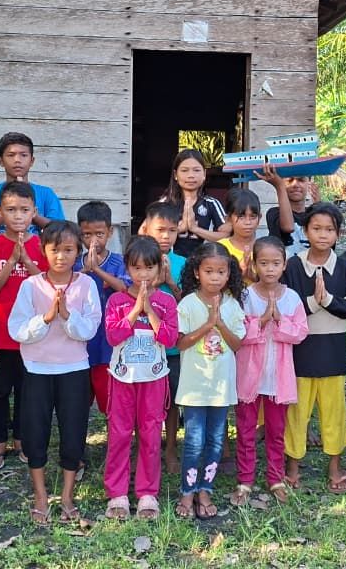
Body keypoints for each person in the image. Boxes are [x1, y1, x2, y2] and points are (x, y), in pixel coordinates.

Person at [8, 221, 102, 525]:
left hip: (74, 369)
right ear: (43, 251)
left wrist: (67, 315)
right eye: (55, 249)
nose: (61, 256)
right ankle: (40, 495)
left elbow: (90, 329)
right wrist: (46, 318)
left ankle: (67, 496)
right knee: (35, 432)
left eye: (68, 250)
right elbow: (17, 329)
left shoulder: (86, 285)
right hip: (37, 369)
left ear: (78, 251)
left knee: (73, 432)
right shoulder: (30, 286)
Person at [281, 202, 346, 493]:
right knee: (297, 412)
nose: (323, 234)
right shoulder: (293, 266)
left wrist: (328, 300)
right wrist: (314, 303)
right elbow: (285, 307)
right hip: (300, 351)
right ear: (305, 231)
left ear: (338, 234)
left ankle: (334, 467)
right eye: (316, 228)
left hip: (332, 350)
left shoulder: (343, 267)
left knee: (334, 412)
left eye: (329, 229)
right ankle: (293, 466)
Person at [102, 236, 179, 521]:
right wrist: (136, 310)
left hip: (154, 379)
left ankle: (147, 493)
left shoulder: (166, 302)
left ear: (159, 268)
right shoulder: (117, 300)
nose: (143, 274)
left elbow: (170, 338)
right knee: (119, 434)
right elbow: (113, 336)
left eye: (149, 267)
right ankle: (117, 494)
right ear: (127, 268)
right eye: (136, 268)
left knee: (150, 434)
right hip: (123, 379)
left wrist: (151, 312)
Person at [231, 237, 308, 506]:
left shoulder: (292, 298)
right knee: (246, 429)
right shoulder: (246, 296)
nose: (270, 269)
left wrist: (279, 320)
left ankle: (275, 478)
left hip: (278, 377)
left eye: (276, 263)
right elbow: (238, 333)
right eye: (263, 263)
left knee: (276, 430)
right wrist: (262, 321)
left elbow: (300, 332)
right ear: (254, 265)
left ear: (284, 265)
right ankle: (245, 480)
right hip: (249, 376)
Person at [0, 182, 47, 470]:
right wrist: (11, 263)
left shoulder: (43, 246)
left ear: (34, 212)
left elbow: (47, 288)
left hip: (30, 332)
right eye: (11, 209)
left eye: (24, 210)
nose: (18, 216)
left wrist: (27, 261)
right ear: (0, 212)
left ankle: (20, 438)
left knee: (26, 390)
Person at [174, 243, 246, 519]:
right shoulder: (188, 304)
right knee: (193, 440)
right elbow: (180, 343)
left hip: (221, 387)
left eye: (221, 272)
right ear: (197, 272)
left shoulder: (232, 305)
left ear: (229, 274)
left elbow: (237, 345)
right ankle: (187, 491)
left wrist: (220, 323)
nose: (215, 277)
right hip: (194, 387)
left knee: (216, 440)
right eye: (209, 271)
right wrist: (207, 325)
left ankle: (205, 489)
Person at [138, 200, 187, 473]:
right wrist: (155, 281)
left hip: (173, 347)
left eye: (172, 230)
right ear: (146, 229)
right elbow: (129, 296)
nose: (166, 236)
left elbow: (188, 305)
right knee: (145, 402)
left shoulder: (183, 263)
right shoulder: (139, 261)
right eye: (160, 230)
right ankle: (147, 448)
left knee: (172, 401)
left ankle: (170, 450)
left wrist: (170, 282)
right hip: (144, 344)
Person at [74, 201, 130, 416]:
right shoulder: (74, 263)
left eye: (99, 234)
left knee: (110, 401)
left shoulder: (118, 262)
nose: (93, 241)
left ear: (110, 232)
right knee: (78, 402)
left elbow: (124, 288)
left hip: (107, 344)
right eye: (87, 235)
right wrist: (85, 272)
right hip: (80, 342)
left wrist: (97, 270)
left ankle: (114, 435)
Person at [0, 132, 64, 240]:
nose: (17, 160)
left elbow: (61, 232)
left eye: (23, 155)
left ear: (32, 161)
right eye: (11, 155)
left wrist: (31, 215)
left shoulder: (46, 194)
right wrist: (5, 214)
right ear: (1, 161)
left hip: (36, 251)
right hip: (1, 251)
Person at [163, 149, 230, 257]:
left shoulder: (212, 204)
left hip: (204, 263)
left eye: (196, 170)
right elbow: (150, 235)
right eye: (184, 170)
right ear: (175, 174)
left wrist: (195, 229)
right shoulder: (165, 203)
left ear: (204, 174)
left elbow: (226, 236)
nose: (191, 175)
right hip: (171, 262)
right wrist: (181, 228)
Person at [257, 165, 318, 253]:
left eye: (301, 180)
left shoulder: (313, 213)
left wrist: (319, 206)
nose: (295, 184)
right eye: (290, 180)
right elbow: (288, 227)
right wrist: (279, 186)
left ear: (309, 183)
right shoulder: (274, 213)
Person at [217, 187, 261, 284]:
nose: (248, 222)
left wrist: (255, 279)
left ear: (259, 218)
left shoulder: (265, 249)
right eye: (241, 216)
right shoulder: (220, 249)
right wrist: (239, 275)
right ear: (228, 219)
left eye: (253, 216)